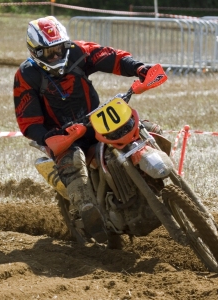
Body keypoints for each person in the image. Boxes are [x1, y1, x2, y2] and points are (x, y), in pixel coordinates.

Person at [13, 16, 162, 248]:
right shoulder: (26, 75)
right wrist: (47, 137)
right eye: (49, 52)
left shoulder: (78, 51)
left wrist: (139, 68)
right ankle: (87, 210)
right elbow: (28, 120)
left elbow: (112, 58)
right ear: (36, 51)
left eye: (60, 49)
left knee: (144, 128)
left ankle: (163, 180)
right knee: (71, 160)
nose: (56, 56)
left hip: (94, 120)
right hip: (62, 135)